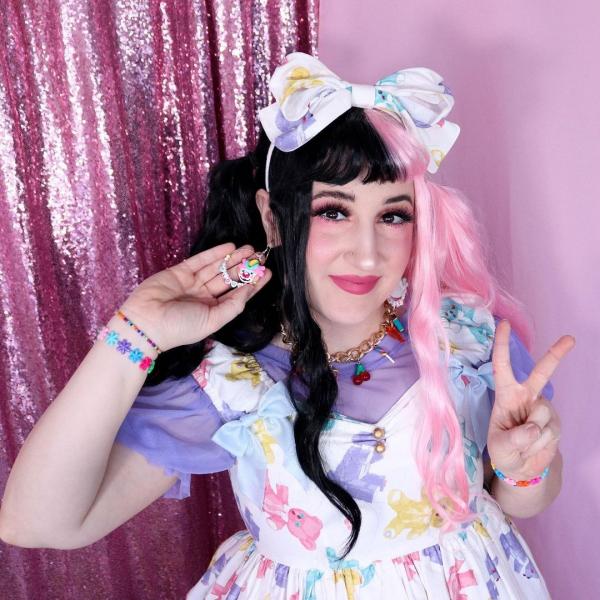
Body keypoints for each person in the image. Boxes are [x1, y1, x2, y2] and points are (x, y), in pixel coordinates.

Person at [0, 52, 575, 599]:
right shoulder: (236, 384)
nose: (367, 254)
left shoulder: (465, 336)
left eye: (392, 215)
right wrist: (135, 332)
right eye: (334, 211)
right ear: (273, 218)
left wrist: (524, 469)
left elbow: (523, 499)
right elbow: (35, 523)